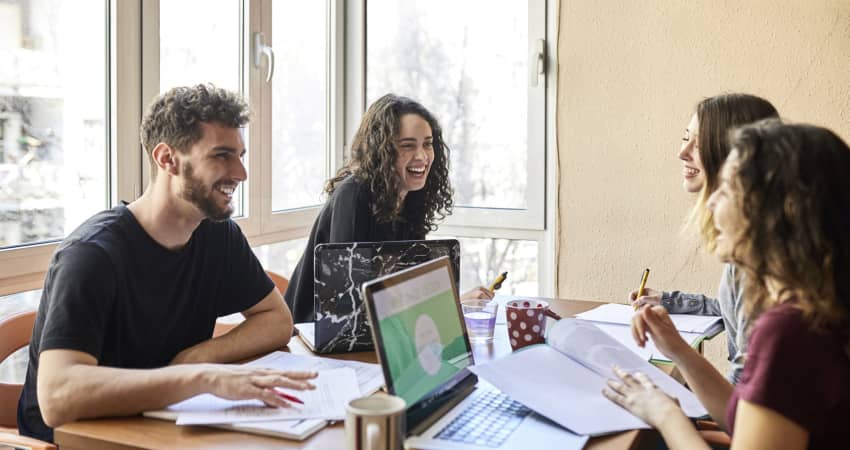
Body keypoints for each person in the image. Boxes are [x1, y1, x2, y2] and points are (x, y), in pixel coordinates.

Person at [17, 84, 317, 442]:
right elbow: (56, 397)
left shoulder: (217, 235)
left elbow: (276, 321)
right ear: (166, 159)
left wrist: (197, 357)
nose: (240, 173)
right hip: (82, 440)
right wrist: (201, 378)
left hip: (159, 427)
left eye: (240, 155)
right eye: (222, 155)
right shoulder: (92, 255)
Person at [606, 120, 850, 449]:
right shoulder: (818, 311)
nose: (710, 204)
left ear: (777, 212)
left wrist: (665, 414)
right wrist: (676, 348)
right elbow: (744, 421)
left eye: (726, 190)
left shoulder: (791, 331)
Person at [285, 94, 492, 323]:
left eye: (427, 144)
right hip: (312, 335)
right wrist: (452, 305)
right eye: (407, 146)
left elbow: (407, 290)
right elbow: (348, 302)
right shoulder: (353, 196)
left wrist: (452, 303)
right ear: (380, 150)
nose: (422, 156)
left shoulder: (411, 199)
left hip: (369, 332)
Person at [629, 94, 778, 383]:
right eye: (685, 138)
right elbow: (737, 312)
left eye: (698, 143)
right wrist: (670, 301)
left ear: (735, 154)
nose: (682, 152)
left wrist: (678, 358)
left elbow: (743, 406)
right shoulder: (754, 245)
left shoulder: (756, 259)